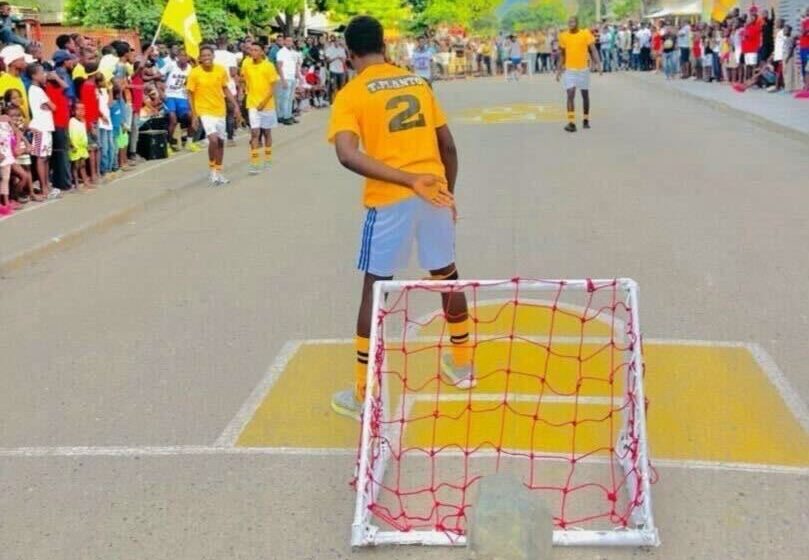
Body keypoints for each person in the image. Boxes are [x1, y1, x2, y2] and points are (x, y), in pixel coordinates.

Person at [327, 15, 474, 419]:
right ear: (385, 46)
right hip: (434, 190)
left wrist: (408, 180)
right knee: (447, 274)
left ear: (349, 53)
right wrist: (445, 193)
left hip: (392, 196)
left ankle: (363, 392)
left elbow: (346, 153)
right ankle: (462, 365)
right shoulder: (417, 82)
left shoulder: (352, 93)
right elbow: (449, 146)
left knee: (375, 289)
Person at [187, 45, 242, 186]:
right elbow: (190, 94)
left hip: (219, 110)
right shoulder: (194, 73)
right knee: (213, 140)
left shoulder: (220, 70)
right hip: (204, 111)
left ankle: (218, 171)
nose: (206, 58)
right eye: (203, 56)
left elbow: (225, 88)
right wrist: (194, 115)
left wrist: (235, 105)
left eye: (208, 55)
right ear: (199, 58)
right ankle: (212, 171)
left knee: (221, 142)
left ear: (213, 56)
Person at [241, 42, 280, 175]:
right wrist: (242, 91)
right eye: (251, 50)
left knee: (267, 132)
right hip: (252, 104)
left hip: (267, 105)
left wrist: (264, 102)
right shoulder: (246, 65)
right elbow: (243, 79)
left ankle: (268, 158)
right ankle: (255, 163)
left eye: (256, 50)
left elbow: (274, 86)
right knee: (254, 133)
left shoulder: (268, 66)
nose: (253, 52)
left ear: (262, 52)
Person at [557, 16, 601, 133]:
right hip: (569, 70)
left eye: (573, 22)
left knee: (584, 95)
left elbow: (593, 50)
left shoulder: (585, 34)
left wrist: (598, 64)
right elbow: (562, 54)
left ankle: (585, 120)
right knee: (570, 94)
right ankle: (571, 123)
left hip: (583, 70)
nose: (570, 24)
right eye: (569, 22)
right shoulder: (563, 36)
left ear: (577, 23)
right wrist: (558, 69)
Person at [26, 62, 58, 200]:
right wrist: (48, 105)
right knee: (41, 157)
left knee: (45, 158)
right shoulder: (35, 90)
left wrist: (48, 106)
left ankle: (46, 185)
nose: (44, 75)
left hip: (46, 127)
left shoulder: (39, 89)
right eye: (41, 73)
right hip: (40, 129)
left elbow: (51, 107)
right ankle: (44, 187)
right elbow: (53, 107)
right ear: (34, 76)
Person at [164, 48, 197, 153]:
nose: (183, 58)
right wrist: (161, 92)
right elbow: (158, 76)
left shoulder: (190, 68)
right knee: (173, 119)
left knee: (192, 116)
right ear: (177, 56)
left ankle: (189, 142)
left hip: (182, 97)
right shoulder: (171, 65)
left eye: (185, 56)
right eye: (181, 55)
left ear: (188, 58)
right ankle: (168, 144)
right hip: (169, 96)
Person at [214, 36, 240, 146]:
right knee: (229, 114)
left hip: (215, 87)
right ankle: (230, 138)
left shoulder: (213, 54)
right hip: (229, 87)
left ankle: (218, 137)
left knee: (217, 114)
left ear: (217, 43)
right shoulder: (231, 56)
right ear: (227, 43)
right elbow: (233, 72)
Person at [0, 45, 30, 119]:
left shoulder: (18, 78)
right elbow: (4, 107)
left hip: (23, 126)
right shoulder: (4, 80)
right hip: (14, 128)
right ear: (12, 62)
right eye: (22, 59)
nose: (25, 62)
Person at [69, 101, 92, 192]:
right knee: (76, 165)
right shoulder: (72, 121)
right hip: (75, 147)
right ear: (73, 111)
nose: (81, 111)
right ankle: (76, 183)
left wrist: (87, 144)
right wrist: (72, 145)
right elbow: (71, 134)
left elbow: (84, 134)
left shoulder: (84, 121)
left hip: (82, 147)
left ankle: (85, 181)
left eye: (82, 109)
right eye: (78, 109)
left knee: (83, 164)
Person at [276, 36, 300, 125]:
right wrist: (283, 79)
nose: (290, 42)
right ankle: (284, 117)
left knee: (290, 98)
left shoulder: (293, 53)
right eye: (287, 40)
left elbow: (295, 65)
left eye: (291, 40)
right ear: (284, 42)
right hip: (285, 77)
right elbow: (279, 66)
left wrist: (297, 76)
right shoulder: (281, 52)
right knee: (284, 98)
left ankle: (288, 115)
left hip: (292, 77)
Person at [325, 35, 348, 102]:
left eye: (339, 41)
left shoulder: (342, 49)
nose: (338, 42)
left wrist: (341, 59)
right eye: (337, 41)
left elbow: (344, 60)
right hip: (333, 70)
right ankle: (334, 100)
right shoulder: (329, 49)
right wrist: (336, 57)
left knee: (341, 87)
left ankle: (340, 100)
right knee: (333, 86)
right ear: (334, 41)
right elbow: (328, 61)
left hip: (341, 71)